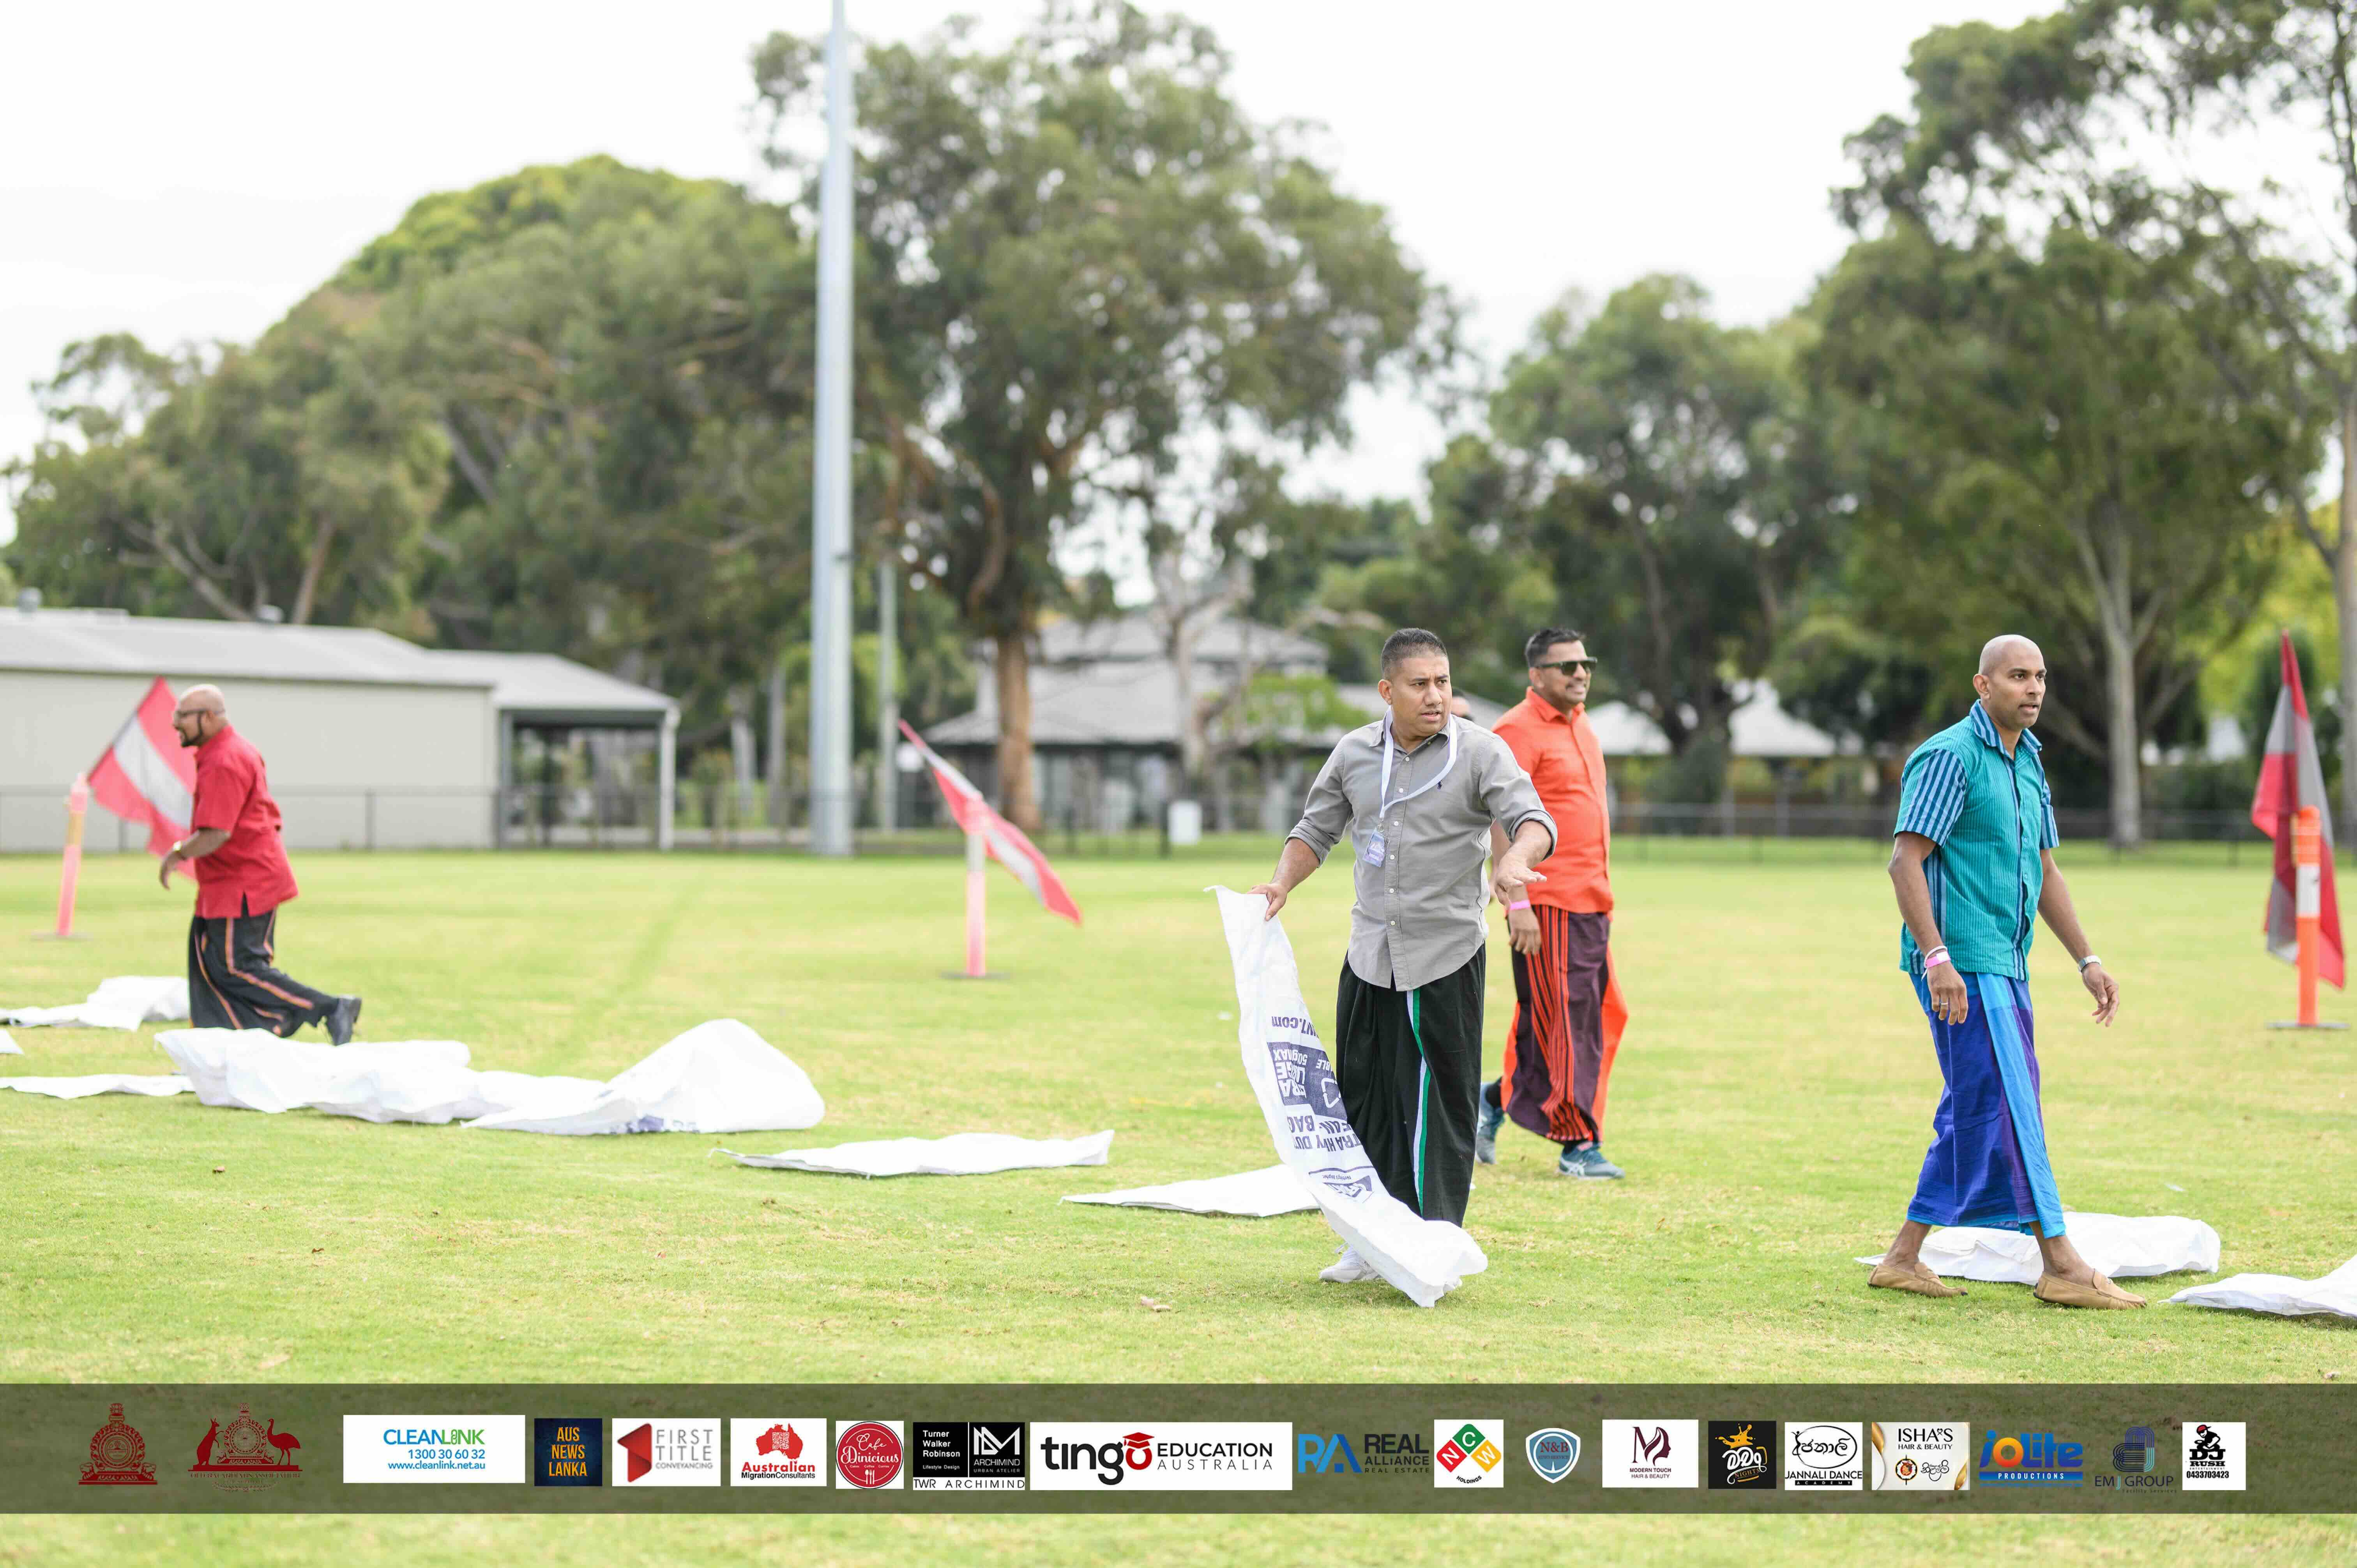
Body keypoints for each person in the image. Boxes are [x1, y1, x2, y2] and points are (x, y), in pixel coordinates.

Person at [1249, 628, 1557, 1284]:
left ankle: (1433, 1246)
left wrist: (1515, 864)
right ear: (1387, 690)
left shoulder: (1480, 751)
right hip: (1368, 953)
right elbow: (1315, 828)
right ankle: (1366, 1240)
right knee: (1363, 1101)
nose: (1435, 695)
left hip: (1443, 954)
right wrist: (1280, 882)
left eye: (1442, 681)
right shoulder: (1354, 752)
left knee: (1439, 1107)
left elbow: (1532, 819)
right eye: (1420, 683)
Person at [1870, 636, 2136, 1308]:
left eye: (2040, 676)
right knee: (2008, 1101)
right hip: (1960, 961)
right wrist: (1936, 957)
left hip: (2005, 960)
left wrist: (2087, 957)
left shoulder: (2029, 763)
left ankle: (1901, 1256)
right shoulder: (1947, 756)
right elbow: (1905, 861)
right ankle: (2061, 1263)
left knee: (1977, 1100)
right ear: (1982, 684)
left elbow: (2044, 871)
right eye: (2018, 676)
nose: (2033, 688)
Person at [1476, 628, 1631, 1179]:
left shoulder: (1583, 723)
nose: (1580, 673)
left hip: (1592, 900)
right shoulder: (1516, 730)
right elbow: (1496, 817)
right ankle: (1578, 1145)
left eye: (1585, 663)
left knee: (1578, 1017)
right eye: (1566, 666)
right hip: (1549, 901)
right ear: (1536, 675)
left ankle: (1492, 1101)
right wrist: (1517, 901)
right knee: (1568, 1023)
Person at [159, 685, 361, 1044]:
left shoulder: (224, 760)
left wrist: (177, 853)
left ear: (207, 717)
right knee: (212, 965)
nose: (175, 724)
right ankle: (228, 1045)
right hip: (230, 880)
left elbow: (216, 832)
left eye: (181, 717)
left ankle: (328, 1008)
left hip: (244, 881)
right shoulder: (225, 752)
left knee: (238, 967)